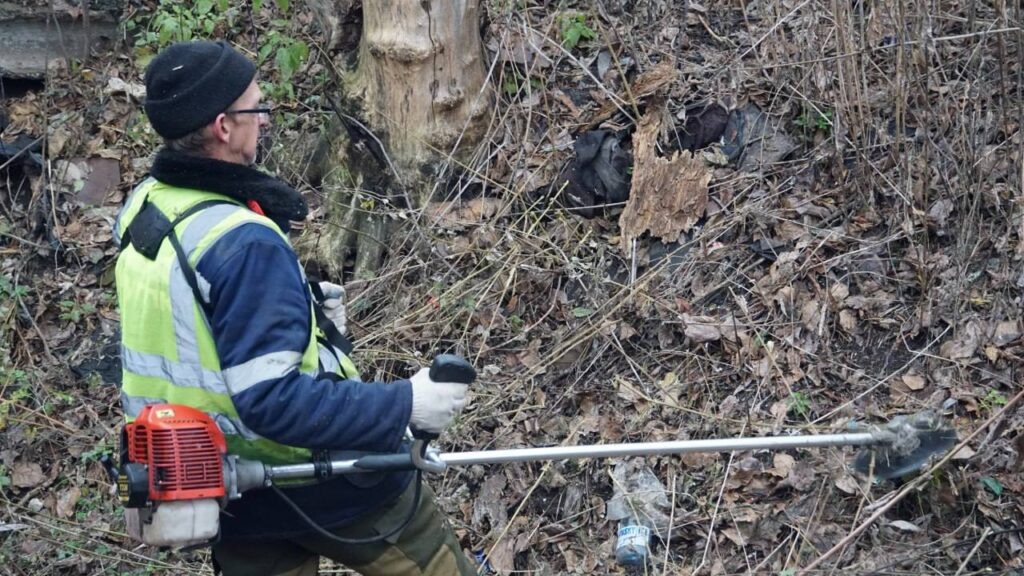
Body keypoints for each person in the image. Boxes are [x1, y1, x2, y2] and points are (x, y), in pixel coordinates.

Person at [112, 39, 477, 576]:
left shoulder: (148, 207)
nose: (264, 120)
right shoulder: (245, 243)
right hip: (317, 480)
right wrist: (407, 404)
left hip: (222, 489)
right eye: (256, 108)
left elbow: (194, 329)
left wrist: (298, 318)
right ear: (223, 126)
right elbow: (272, 401)